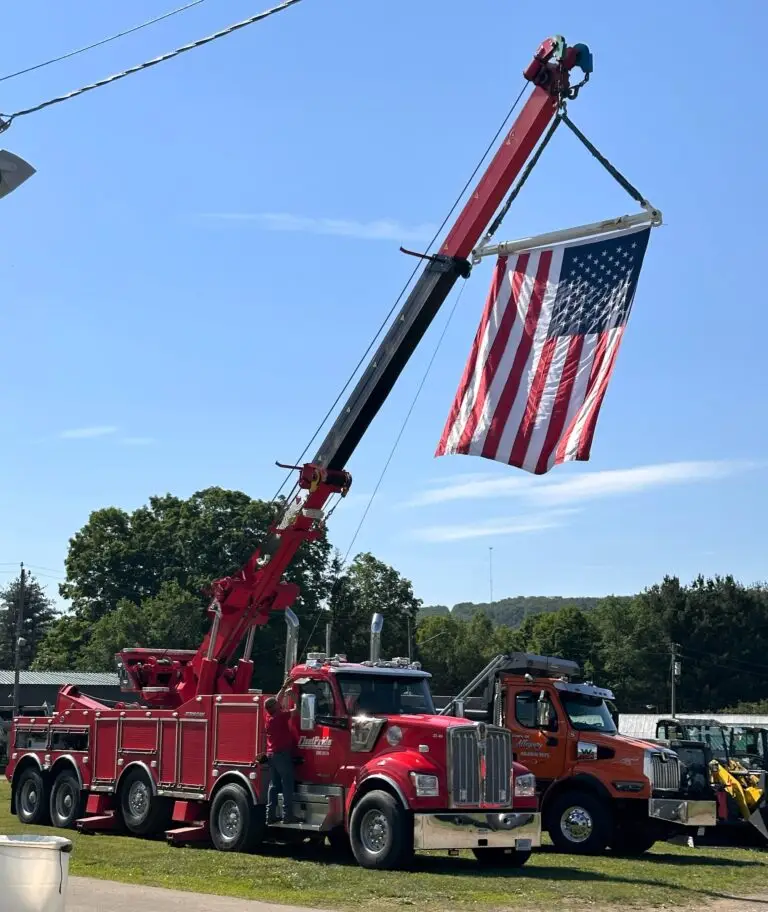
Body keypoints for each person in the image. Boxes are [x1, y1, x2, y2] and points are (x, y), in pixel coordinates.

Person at [264, 695, 297, 824]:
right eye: (276, 703)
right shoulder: (280, 716)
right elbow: (297, 710)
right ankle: (287, 815)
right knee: (287, 783)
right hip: (281, 755)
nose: (279, 703)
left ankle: (270, 815)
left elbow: (276, 700)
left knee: (273, 785)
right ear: (273, 707)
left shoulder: (269, 716)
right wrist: (296, 696)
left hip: (271, 754)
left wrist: (284, 688)